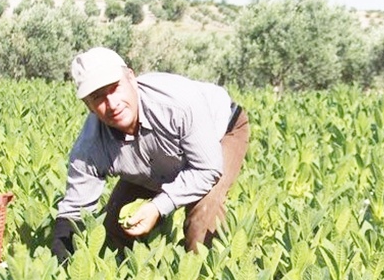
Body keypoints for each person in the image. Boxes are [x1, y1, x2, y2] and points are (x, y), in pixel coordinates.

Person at [51, 47, 249, 262]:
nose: (112, 104)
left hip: (219, 133)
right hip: (154, 159)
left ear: (131, 78)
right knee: (115, 225)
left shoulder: (178, 103)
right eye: (97, 97)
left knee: (203, 213)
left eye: (115, 88)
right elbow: (73, 212)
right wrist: (59, 271)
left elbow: (206, 170)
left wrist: (158, 206)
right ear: (87, 105)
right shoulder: (90, 147)